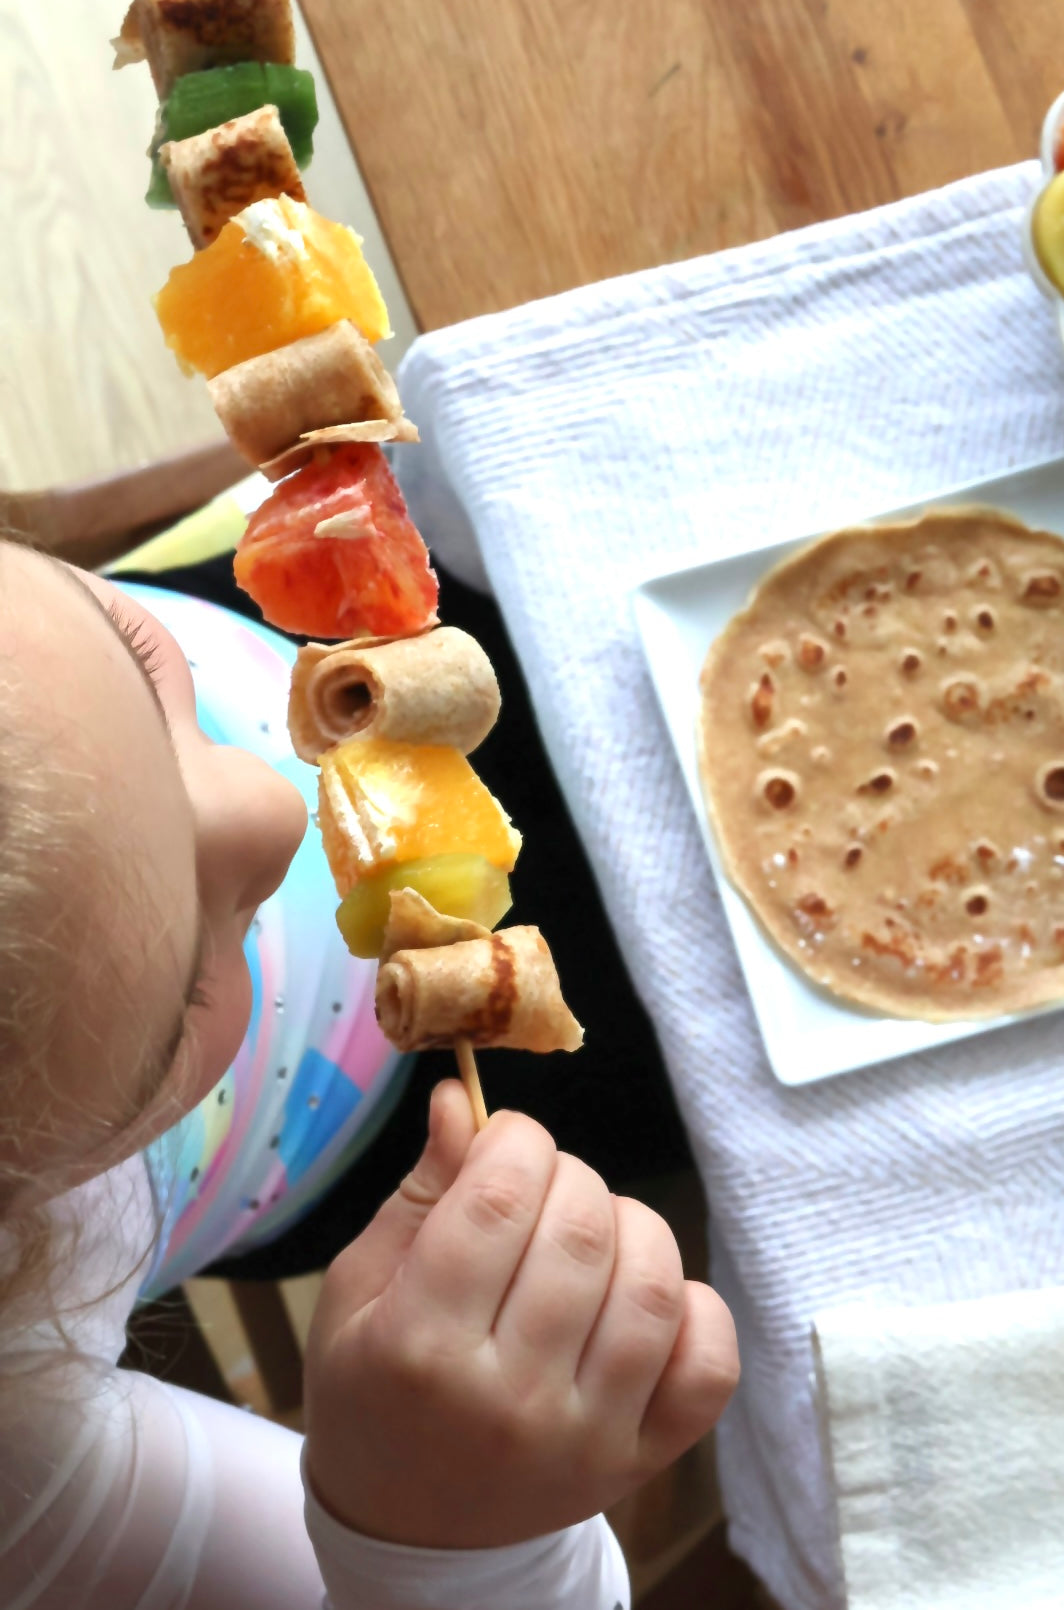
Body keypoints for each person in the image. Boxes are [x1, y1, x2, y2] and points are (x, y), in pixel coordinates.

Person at [0, 540, 739, 1609]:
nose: (273, 804)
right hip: (353, 1123)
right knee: (695, 1039)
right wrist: (447, 1542)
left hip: (306, 664)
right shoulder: (29, 1457)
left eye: (125, 651)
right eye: (176, 1017)